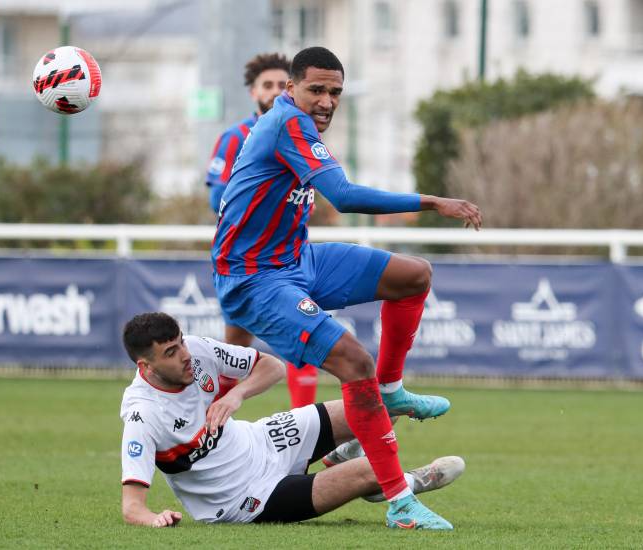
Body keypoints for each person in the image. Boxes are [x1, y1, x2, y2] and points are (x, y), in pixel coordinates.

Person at [210, 46, 482, 529]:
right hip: (254, 277)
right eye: (317, 89)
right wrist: (434, 201)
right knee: (354, 362)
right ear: (291, 89)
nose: (328, 100)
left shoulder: (299, 127)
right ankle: (401, 502)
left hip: (298, 259)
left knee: (413, 275)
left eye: (335, 92)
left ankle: (391, 391)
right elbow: (345, 195)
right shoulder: (287, 123)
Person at [120, 312, 465, 528]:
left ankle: (338, 455)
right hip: (246, 497)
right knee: (373, 468)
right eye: (170, 353)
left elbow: (271, 366)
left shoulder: (197, 350)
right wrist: (155, 519)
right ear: (145, 366)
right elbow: (132, 507)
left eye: (180, 343)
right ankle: (411, 482)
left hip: (263, 438)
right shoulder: (143, 414)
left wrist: (235, 395)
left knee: (370, 408)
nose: (184, 355)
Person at [205, 52, 319, 409]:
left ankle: (307, 428)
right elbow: (216, 198)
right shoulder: (236, 136)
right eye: (265, 85)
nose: (272, 91)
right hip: (244, 263)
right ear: (254, 92)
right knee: (235, 355)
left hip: (290, 259)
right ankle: (210, 431)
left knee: (304, 339)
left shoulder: (304, 134)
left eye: (278, 84)